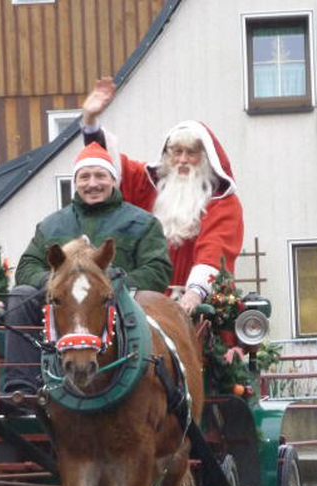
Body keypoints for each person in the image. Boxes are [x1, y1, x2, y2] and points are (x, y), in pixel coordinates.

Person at [2, 142, 173, 400]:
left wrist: (116, 281)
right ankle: (22, 388)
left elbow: (157, 270)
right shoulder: (51, 226)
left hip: (118, 305)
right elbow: (27, 267)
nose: (92, 183)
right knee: (21, 295)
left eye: (100, 175)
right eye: (85, 177)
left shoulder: (142, 223)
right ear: (76, 182)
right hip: (63, 306)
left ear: (113, 180)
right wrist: (59, 284)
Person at [80, 76, 244, 315]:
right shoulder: (149, 186)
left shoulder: (222, 202)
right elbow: (107, 168)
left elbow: (215, 252)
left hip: (195, 305)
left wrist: (194, 294)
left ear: (206, 159)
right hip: (140, 300)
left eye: (191, 153)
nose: (183, 160)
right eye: (176, 152)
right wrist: (90, 119)